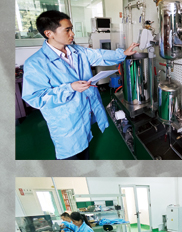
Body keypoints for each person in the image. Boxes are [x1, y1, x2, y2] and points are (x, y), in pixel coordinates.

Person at [21, 10, 136, 160]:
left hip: (84, 111)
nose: (72, 34)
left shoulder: (76, 51)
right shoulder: (35, 63)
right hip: (66, 122)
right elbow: (35, 97)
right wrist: (70, 88)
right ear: (49, 33)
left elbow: (99, 55)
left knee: (84, 149)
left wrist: (123, 54)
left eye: (72, 29)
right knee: (70, 156)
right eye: (67, 30)